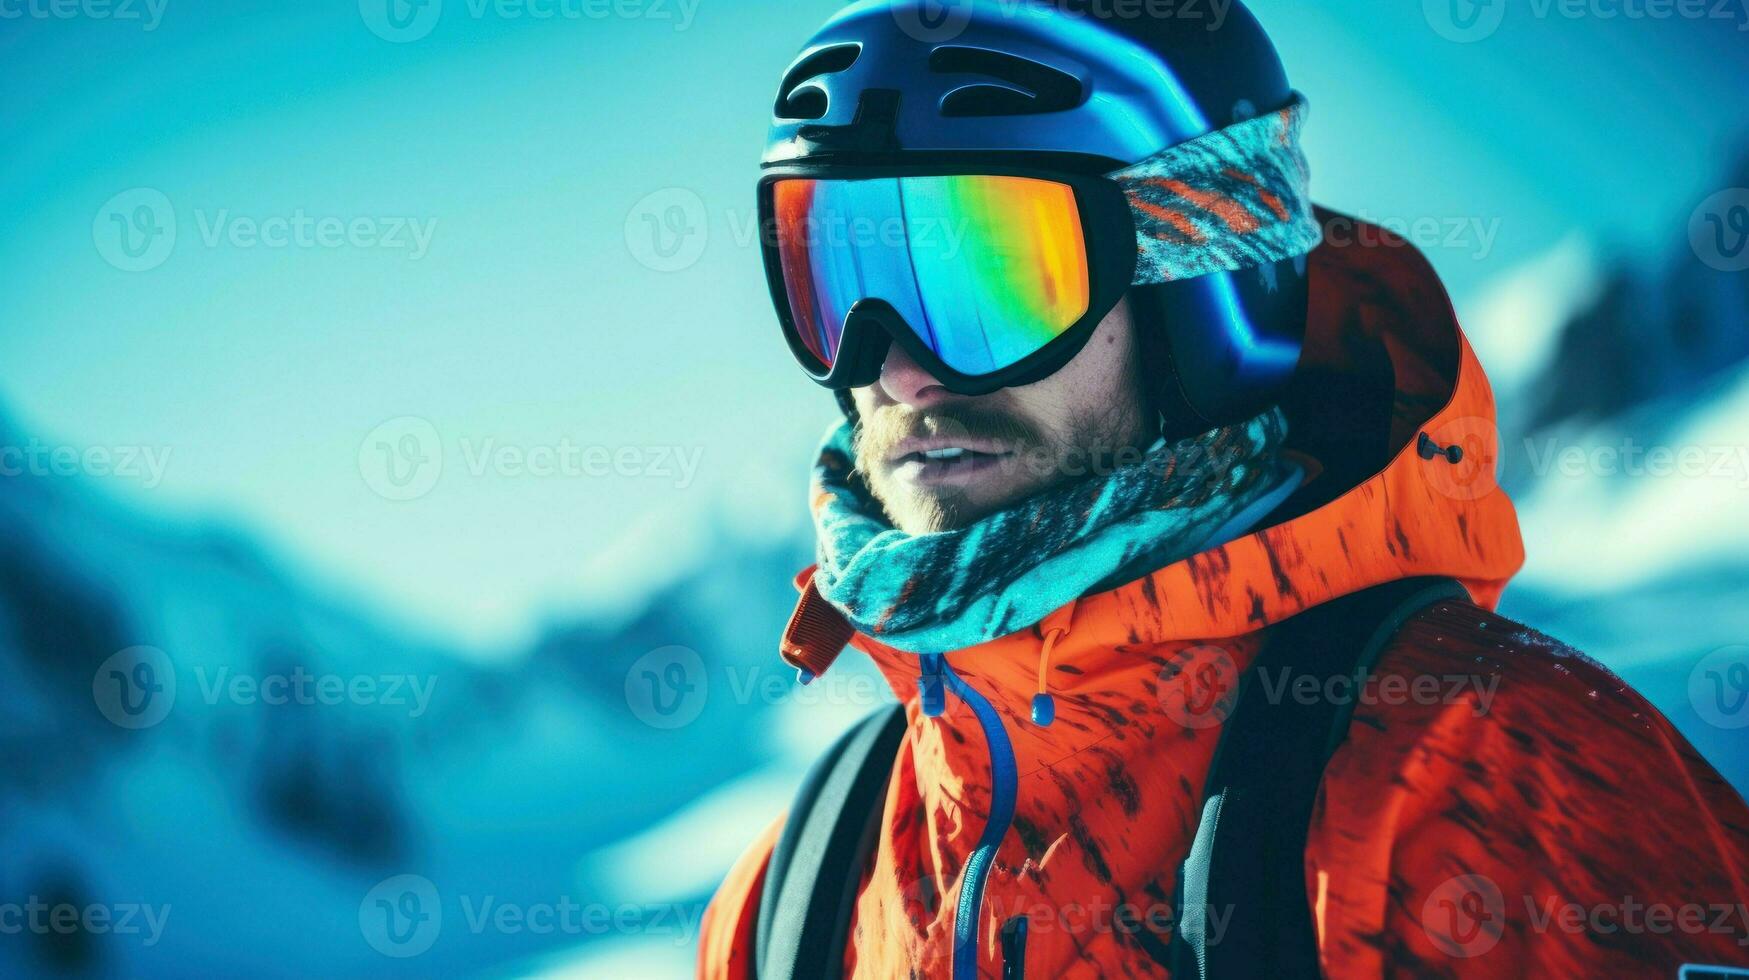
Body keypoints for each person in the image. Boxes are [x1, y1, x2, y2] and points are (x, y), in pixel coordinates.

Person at [699, 1, 1749, 976]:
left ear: (1199, 291)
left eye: (987, 280)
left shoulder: (1497, 791)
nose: (894, 367)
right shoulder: (795, 889)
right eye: (835, 281)